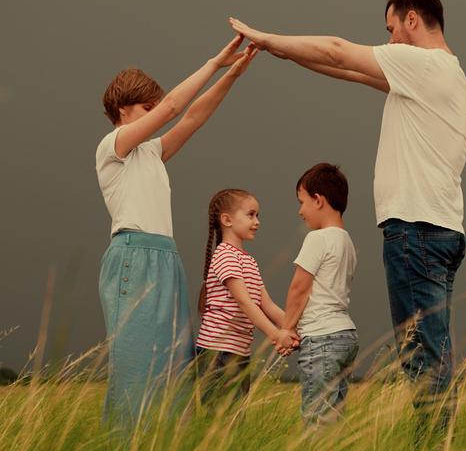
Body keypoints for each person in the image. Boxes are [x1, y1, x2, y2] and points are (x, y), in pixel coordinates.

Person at [229, 0, 466, 432]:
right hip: (437, 231)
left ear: (411, 19)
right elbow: (345, 70)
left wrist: (265, 36)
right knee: (430, 351)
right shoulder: (444, 73)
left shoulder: (422, 62)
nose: (390, 40)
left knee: (422, 358)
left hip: (416, 231)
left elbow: (339, 51)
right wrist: (280, 52)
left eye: (391, 28)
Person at [96, 36, 258, 429]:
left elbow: (194, 116)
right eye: (145, 109)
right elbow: (173, 107)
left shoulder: (150, 153)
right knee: (136, 367)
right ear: (122, 109)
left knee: (173, 366)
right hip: (134, 256)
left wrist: (231, 75)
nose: (155, 114)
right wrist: (215, 62)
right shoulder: (112, 146)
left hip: (166, 258)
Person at [196, 188, 299, 404]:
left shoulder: (248, 261)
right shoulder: (225, 255)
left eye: (257, 215)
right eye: (251, 214)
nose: (257, 221)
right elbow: (244, 302)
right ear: (227, 220)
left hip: (238, 353)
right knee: (218, 420)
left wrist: (292, 329)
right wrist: (275, 334)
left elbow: (267, 304)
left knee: (234, 418)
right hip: (218, 353)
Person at [284, 164, 358, 426]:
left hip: (321, 338)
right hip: (345, 336)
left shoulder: (317, 239)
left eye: (302, 202)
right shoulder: (347, 242)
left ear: (318, 200)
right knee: (333, 415)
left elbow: (299, 288)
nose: (300, 211)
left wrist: (286, 329)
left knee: (316, 418)